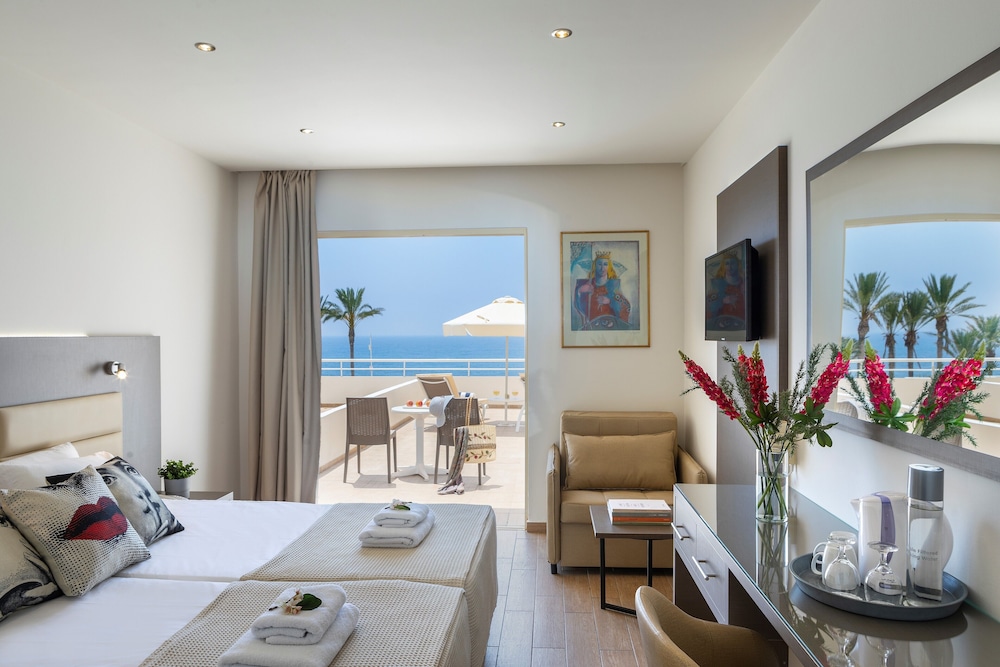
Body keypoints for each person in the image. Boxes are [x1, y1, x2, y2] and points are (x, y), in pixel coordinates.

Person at [574, 251, 631, 329]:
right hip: (592, 325)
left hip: (610, 326)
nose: (602, 268)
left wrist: (610, 301)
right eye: (599, 264)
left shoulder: (614, 284)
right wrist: (579, 292)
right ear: (595, 266)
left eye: (605, 264)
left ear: (609, 267)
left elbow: (626, 306)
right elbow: (579, 307)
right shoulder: (587, 284)